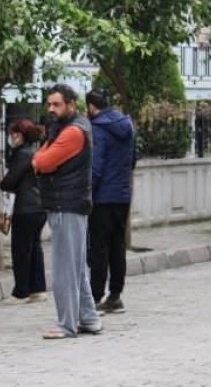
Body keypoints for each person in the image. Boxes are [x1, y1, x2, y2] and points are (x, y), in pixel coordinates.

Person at [32, 84, 102, 339]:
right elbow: (42, 156)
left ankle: (67, 324)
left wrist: (40, 161)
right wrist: (41, 158)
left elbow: (43, 161)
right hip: (69, 203)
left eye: (57, 104)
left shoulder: (73, 131)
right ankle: (89, 318)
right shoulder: (67, 128)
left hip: (66, 204)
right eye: (49, 104)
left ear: (71, 104)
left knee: (65, 268)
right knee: (76, 266)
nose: (51, 109)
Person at [86, 88, 135, 313]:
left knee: (99, 248)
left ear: (91, 107)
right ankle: (115, 295)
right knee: (117, 246)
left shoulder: (98, 128)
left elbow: (96, 167)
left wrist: (89, 193)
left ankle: (95, 296)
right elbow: (133, 159)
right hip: (122, 195)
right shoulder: (127, 125)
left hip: (103, 196)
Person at [0, 119, 47, 304]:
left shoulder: (23, 155)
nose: (11, 138)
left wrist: (2, 183)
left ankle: (21, 291)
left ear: (19, 135)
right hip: (38, 207)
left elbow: (10, 181)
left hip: (25, 208)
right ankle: (38, 288)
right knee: (35, 248)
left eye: (13, 134)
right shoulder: (36, 153)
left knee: (21, 250)